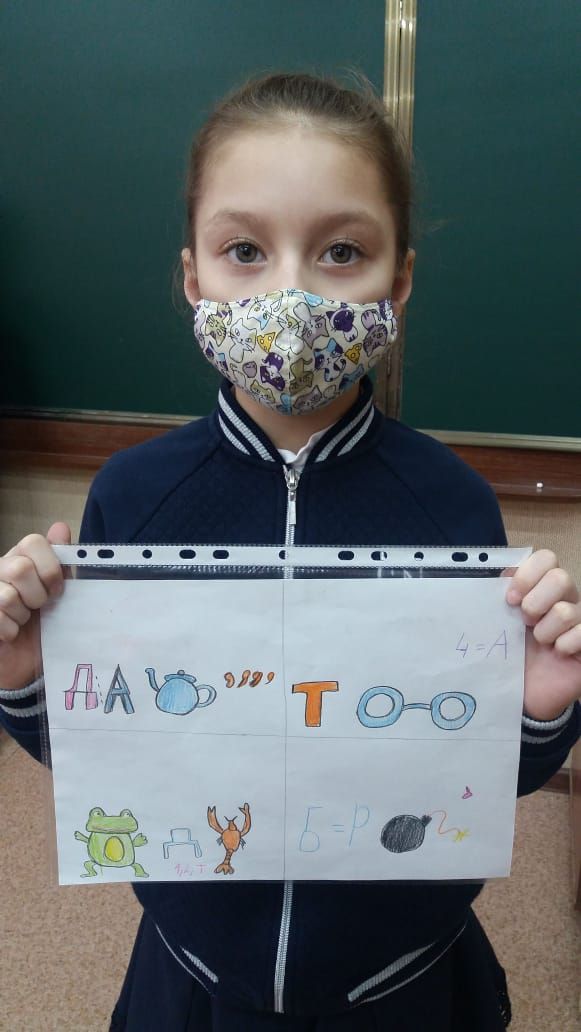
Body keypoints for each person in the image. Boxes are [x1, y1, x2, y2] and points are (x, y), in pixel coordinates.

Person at [0, 72, 580, 1032]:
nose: (291, 295)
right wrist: (26, 677)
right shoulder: (133, 497)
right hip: (194, 970)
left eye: (341, 251)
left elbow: (484, 775)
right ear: (193, 278)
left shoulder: (452, 505)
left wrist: (539, 709)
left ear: (398, 281)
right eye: (244, 251)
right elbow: (113, 756)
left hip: (401, 973)